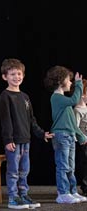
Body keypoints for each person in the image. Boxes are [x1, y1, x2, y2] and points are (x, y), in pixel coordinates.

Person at [0, 58, 54, 209]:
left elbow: (31, 119)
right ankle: (13, 198)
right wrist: (8, 139)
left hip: (26, 140)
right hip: (13, 141)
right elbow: (6, 120)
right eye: (12, 74)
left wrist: (41, 133)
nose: (17, 77)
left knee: (24, 170)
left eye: (19, 73)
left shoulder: (25, 97)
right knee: (13, 171)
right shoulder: (5, 96)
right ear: (5, 77)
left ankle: (23, 195)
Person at [44, 66, 87, 204]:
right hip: (61, 136)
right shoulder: (56, 98)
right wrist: (80, 84)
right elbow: (74, 100)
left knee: (70, 166)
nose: (71, 83)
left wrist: (81, 136)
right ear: (60, 81)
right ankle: (62, 193)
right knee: (63, 166)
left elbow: (72, 124)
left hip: (69, 136)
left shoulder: (64, 101)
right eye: (69, 80)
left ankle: (72, 191)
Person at [74, 79, 87, 196]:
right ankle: (85, 186)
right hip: (84, 142)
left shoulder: (86, 107)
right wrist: (82, 138)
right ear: (82, 95)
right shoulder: (78, 109)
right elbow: (75, 127)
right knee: (85, 164)